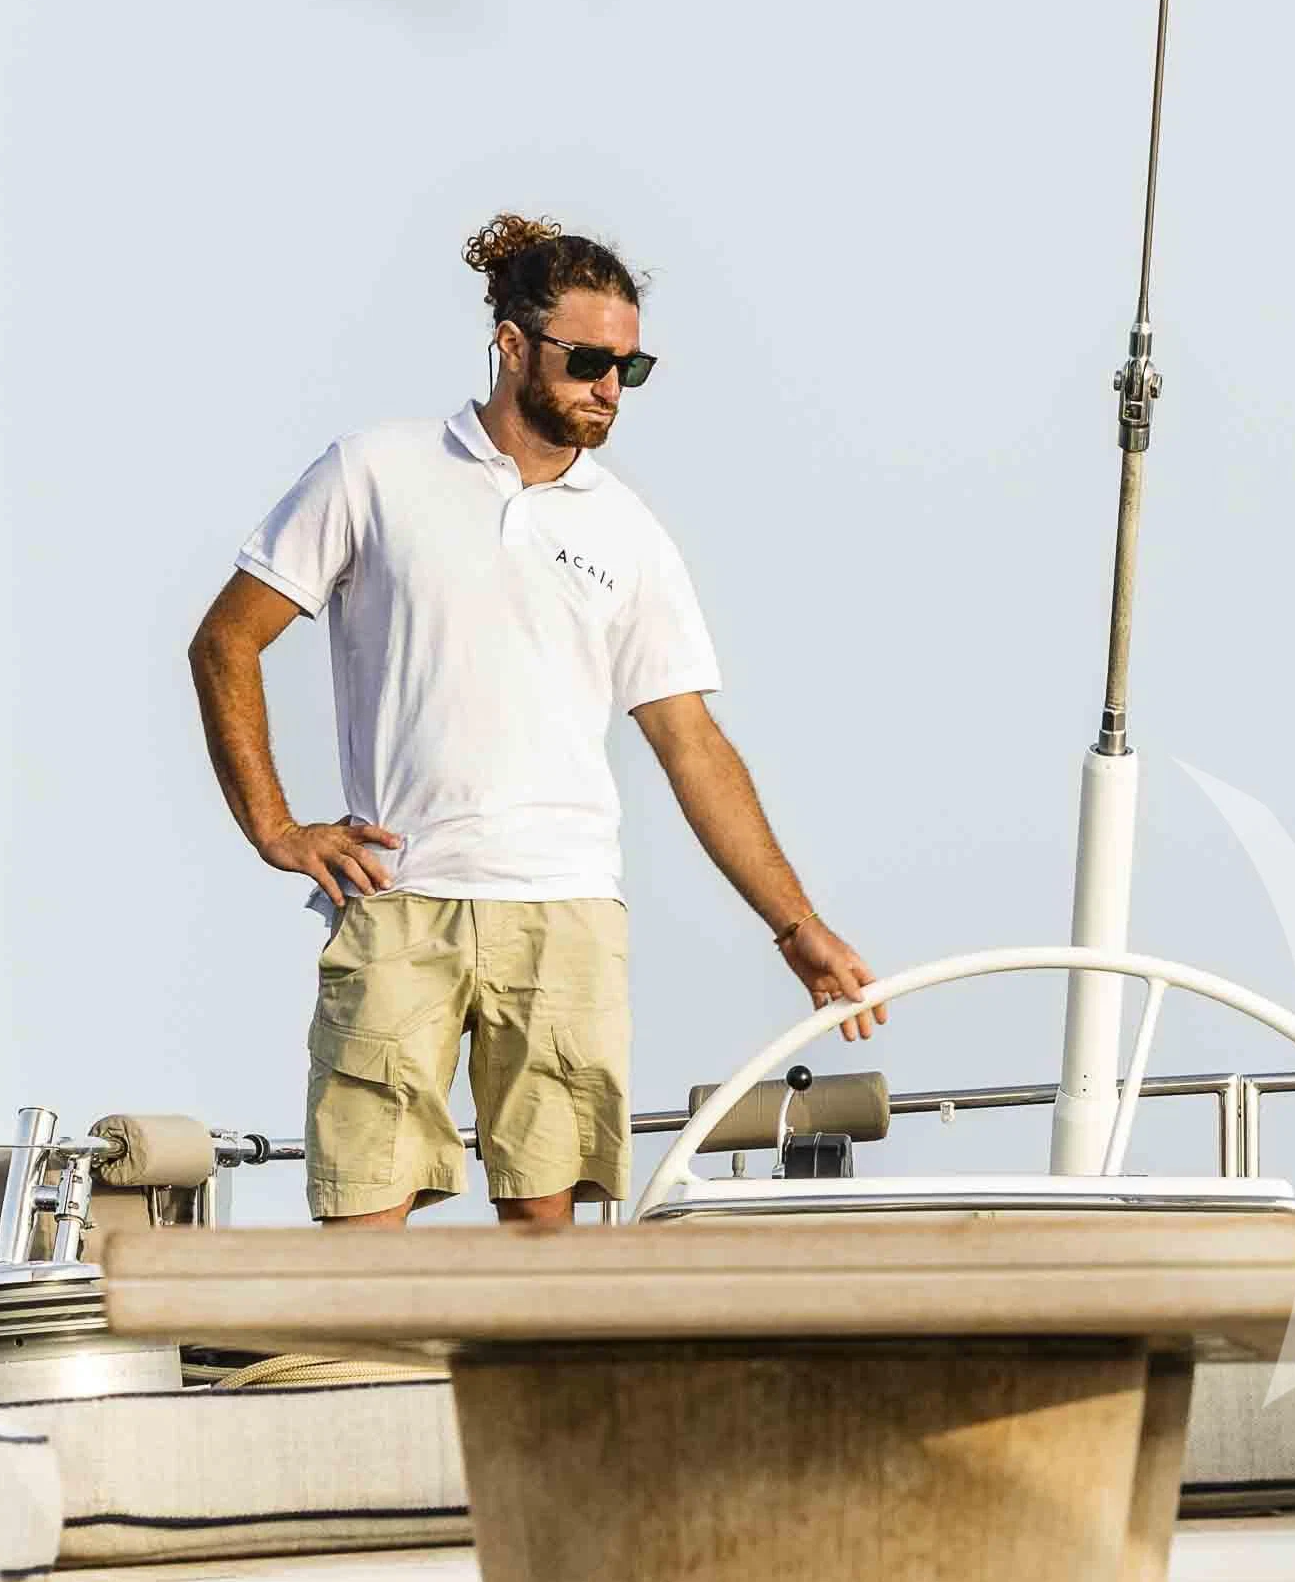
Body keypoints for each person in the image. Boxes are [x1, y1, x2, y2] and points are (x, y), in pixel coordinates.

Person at [185, 214, 881, 1227]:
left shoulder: (628, 531)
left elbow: (689, 743)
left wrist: (796, 924)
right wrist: (275, 828)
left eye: (629, 368)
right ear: (511, 344)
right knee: (359, 1244)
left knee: (548, 1259)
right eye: (588, 360)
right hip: (400, 898)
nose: (609, 387)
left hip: (566, 910)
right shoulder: (375, 470)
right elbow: (225, 640)